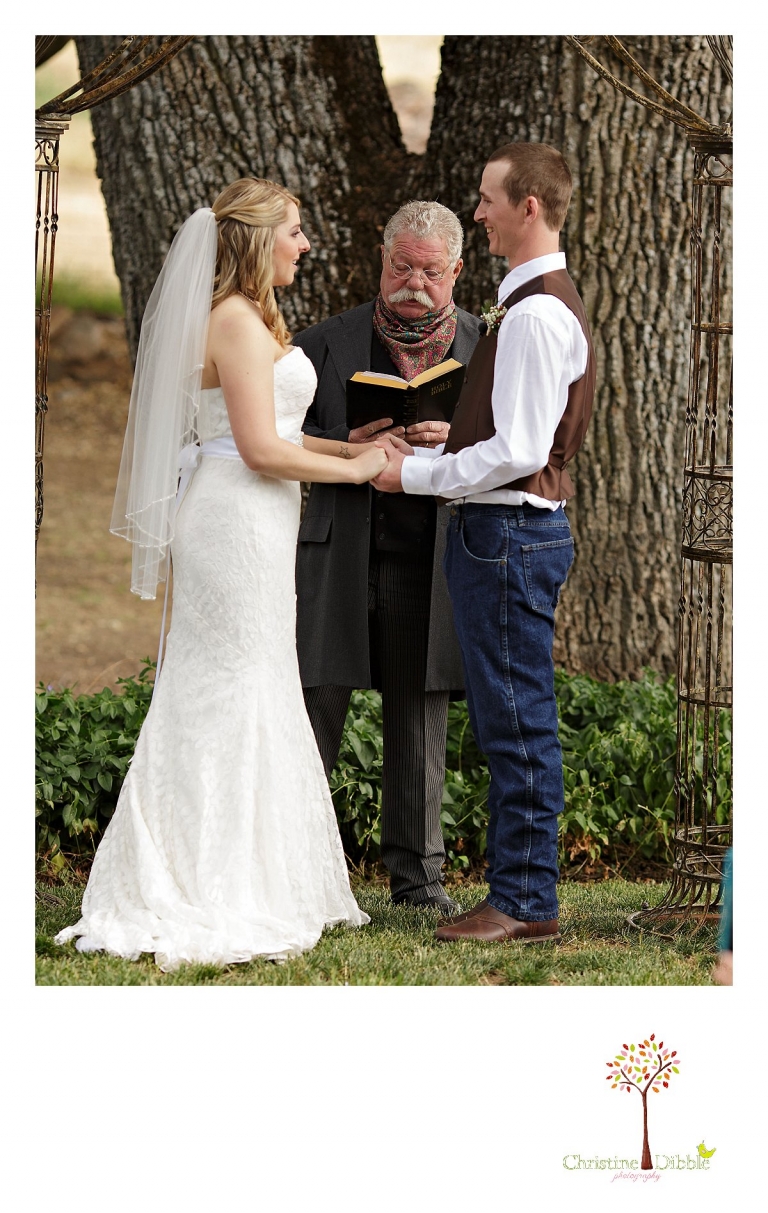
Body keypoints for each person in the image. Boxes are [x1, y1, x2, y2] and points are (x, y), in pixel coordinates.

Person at [55, 178, 388, 971]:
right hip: (234, 519)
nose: (305, 245)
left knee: (256, 675)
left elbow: (274, 431)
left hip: (257, 516)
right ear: (257, 239)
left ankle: (258, 870)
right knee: (227, 680)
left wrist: (354, 445)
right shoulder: (234, 320)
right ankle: (207, 877)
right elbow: (262, 451)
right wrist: (356, 471)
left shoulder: (250, 317)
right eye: (294, 231)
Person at [373, 144, 596, 943]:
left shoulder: (533, 314)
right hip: (505, 533)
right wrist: (449, 445)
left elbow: (522, 450)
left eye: (488, 198)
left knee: (516, 720)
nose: (478, 212)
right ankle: (521, 892)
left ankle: (525, 901)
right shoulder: (532, 301)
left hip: (507, 536)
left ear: (528, 206)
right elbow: (511, 435)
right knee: (511, 715)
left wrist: (417, 476)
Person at [293, 201, 483, 913]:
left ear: (456, 270)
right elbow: (275, 439)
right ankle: (293, 873)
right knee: (312, 709)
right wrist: (348, 442)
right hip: (339, 550)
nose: (413, 284)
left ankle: (419, 883)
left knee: (417, 719)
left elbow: (518, 444)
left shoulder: (488, 346)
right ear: (382, 256)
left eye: (430, 272)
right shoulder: (324, 342)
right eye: (401, 266)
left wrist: (458, 443)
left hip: (432, 559)